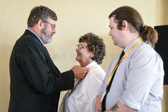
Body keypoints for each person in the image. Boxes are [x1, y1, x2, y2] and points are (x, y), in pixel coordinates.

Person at [8, 5, 88, 112]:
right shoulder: (29, 44)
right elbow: (46, 84)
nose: (54, 31)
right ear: (40, 24)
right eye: (53, 26)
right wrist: (72, 74)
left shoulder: (32, 43)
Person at [95, 6, 164, 112]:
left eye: (111, 27)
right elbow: (101, 92)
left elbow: (129, 105)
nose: (110, 33)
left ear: (124, 25)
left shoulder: (145, 56)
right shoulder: (117, 58)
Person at [59, 33, 106, 112]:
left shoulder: (96, 75)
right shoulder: (83, 72)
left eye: (81, 46)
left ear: (92, 53)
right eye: (78, 46)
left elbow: (96, 108)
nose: (77, 49)